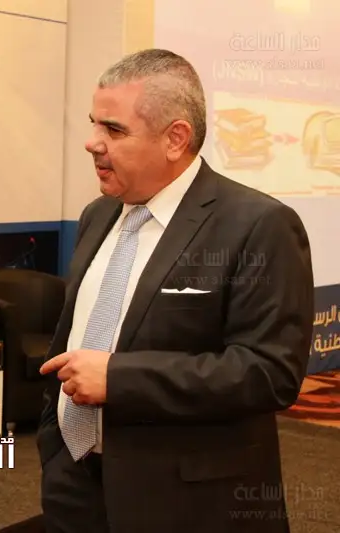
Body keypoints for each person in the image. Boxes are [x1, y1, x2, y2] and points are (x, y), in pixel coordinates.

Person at [37, 48, 313, 533]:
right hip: (76, 486)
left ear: (175, 138)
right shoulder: (98, 215)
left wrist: (120, 378)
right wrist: (54, 449)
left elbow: (269, 372)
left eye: (113, 130)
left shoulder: (258, 225)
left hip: (187, 504)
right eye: (94, 124)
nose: (91, 143)